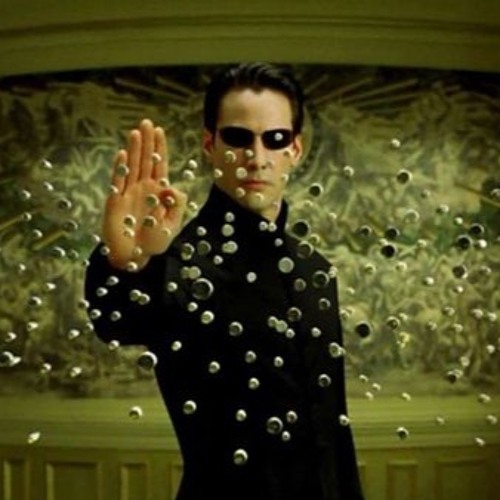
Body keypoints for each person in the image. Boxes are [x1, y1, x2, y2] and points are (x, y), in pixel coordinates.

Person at [85, 62, 364, 500]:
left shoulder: (316, 270)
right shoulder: (179, 262)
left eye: (275, 139)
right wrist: (126, 263)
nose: (257, 156)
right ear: (210, 145)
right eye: (238, 137)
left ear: (295, 149)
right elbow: (117, 320)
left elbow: (333, 435)